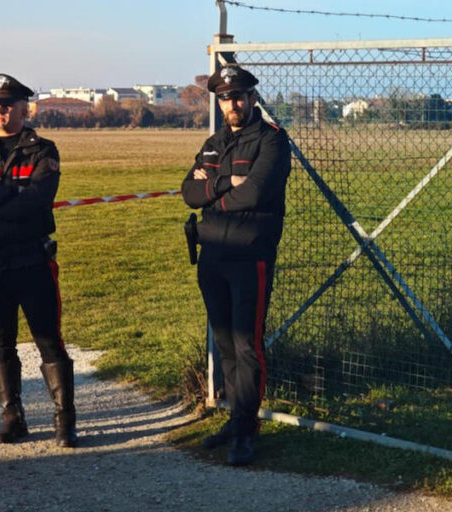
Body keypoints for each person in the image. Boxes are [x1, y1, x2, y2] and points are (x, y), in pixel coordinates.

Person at [0, 73, 78, 448]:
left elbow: (38, 198)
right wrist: (11, 194)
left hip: (32, 261)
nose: (2, 110)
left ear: (25, 110)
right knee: (1, 341)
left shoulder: (44, 150)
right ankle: (13, 417)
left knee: (49, 341)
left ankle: (64, 420)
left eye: (9, 105)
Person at [181, 64, 292, 466]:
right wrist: (226, 185)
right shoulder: (214, 143)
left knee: (247, 347)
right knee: (224, 342)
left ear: (252, 97)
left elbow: (258, 194)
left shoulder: (272, 143)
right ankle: (233, 417)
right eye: (226, 97)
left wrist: (210, 192)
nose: (234, 103)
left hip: (250, 257)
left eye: (240, 96)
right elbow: (188, 193)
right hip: (212, 256)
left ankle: (247, 430)